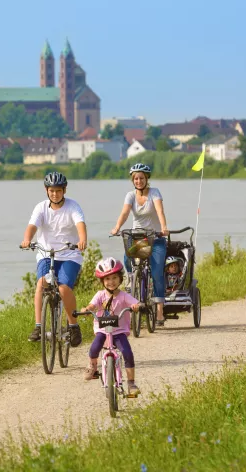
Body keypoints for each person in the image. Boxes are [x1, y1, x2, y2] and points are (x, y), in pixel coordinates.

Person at [21, 171, 88, 346]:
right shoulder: (41, 207)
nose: (55, 194)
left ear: (64, 190)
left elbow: (80, 224)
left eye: (58, 190)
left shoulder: (73, 206)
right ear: (46, 190)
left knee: (64, 288)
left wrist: (82, 240)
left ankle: (73, 326)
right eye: (51, 190)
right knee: (41, 283)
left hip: (69, 255)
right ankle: (38, 326)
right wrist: (27, 239)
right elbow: (32, 226)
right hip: (46, 253)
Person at [109, 163, 170, 325]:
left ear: (146, 179)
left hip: (156, 238)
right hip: (139, 238)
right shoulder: (130, 195)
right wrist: (117, 227)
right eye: (136, 178)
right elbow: (124, 213)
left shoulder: (155, 193)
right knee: (127, 257)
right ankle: (132, 280)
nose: (138, 181)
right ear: (132, 180)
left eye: (141, 178)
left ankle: (159, 311)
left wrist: (164, 227)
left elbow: (159, 211)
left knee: (156, 273)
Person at [79, 257, 142, 396]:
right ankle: (93, 367)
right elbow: (93, 305)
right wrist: (87, 309)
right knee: (94, 347)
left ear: (120, 279)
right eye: (107, 279)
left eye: (114, 278)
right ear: (102, 281)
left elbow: (134, 302)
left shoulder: (124, 296)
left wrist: (136, 306)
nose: (111, 281)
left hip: (119, 331)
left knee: (127, 352)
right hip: (103, 329)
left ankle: (131, 383)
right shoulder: (100, 295)